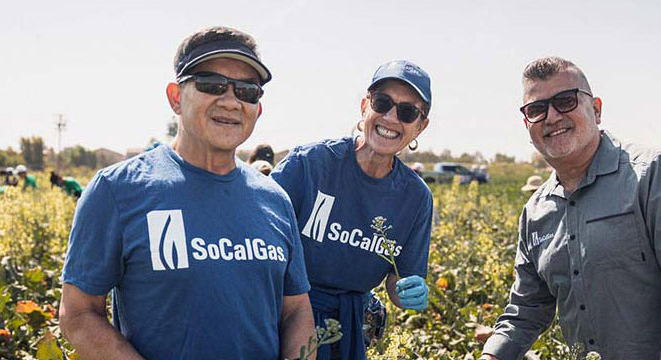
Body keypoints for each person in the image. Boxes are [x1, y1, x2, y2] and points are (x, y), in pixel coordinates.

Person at [58, 26, 315, 359]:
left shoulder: (275, 199)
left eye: (247, 91)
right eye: (211, 85)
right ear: (175, 98)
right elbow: (78, 313)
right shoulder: (117, 190)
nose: (231, 101)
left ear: (258, 109)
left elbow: (296, 310)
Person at [480, 57, 661, 360]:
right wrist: (493, 355)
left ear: (596, 109)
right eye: (537, 109)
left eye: (565, 101)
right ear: (527, 124)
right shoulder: (535, 213)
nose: (552, 116)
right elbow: (527, 308)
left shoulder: (654, 175)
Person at [269, 60, 435, 359]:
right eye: (382, 103)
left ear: (420, 126)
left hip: (347, 327)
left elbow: (397, 284)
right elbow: (258, 238)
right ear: (364, 107)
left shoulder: (415, 198)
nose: (391, 118)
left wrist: (406, 291)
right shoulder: (310, 164)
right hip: (282, 313)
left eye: (408, 112)